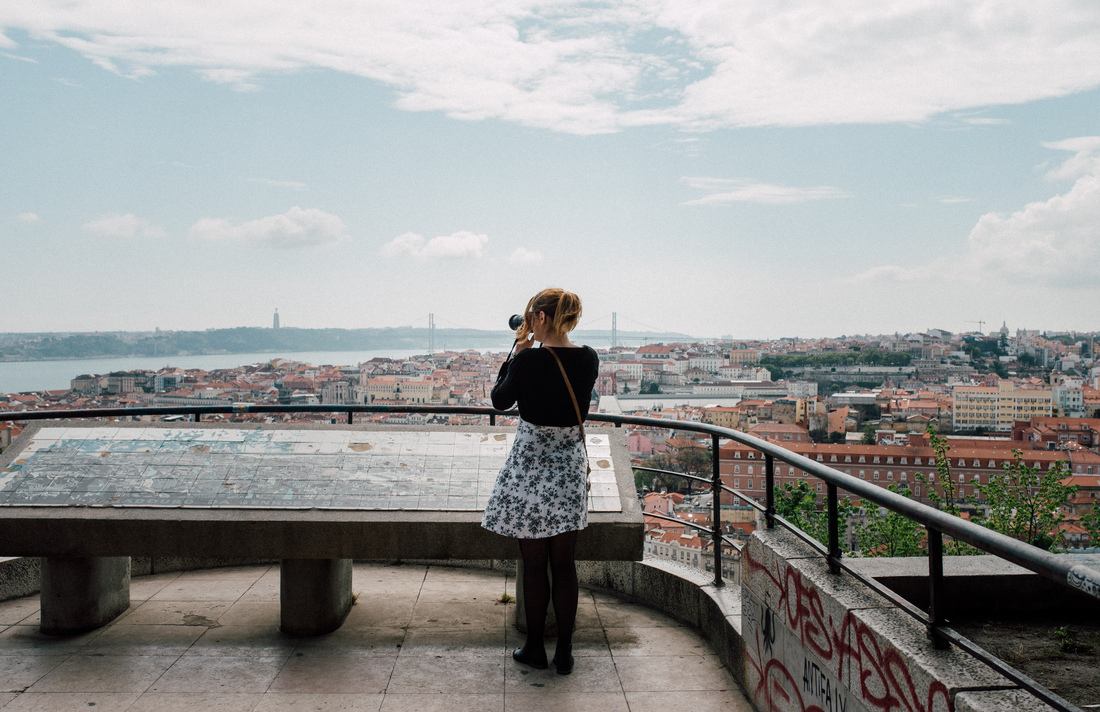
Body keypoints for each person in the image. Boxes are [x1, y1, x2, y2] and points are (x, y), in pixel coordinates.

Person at [480, 288, 599, 675]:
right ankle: (564, 651)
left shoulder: (528, 361)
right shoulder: (588, 359)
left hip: (530, 466)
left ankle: (534, 647)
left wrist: (517, 351)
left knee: (534, 566)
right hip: (567, 468)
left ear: (542, 319)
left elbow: (499, 400)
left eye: (532, 316)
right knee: (564, 565)